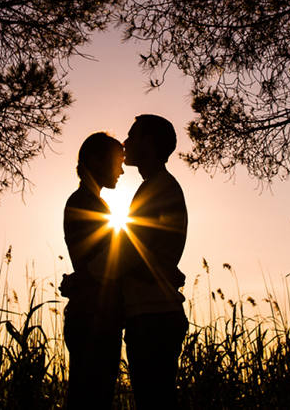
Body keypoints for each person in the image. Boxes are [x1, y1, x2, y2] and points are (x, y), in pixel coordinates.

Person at [119, 114, 188, 410]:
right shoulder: (157, 186)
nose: (125, 143)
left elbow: (133, 253)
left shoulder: (158, 189)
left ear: (149, 143)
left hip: (153, 317)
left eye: (132, 136)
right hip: (152, 314)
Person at [61, 132, 126, 410]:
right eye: (117, 163)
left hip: (93, 314)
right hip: (93, 318)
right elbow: (103, 264)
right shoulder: (84, 203)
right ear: (96, 161)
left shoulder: (91, 202)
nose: (122, 170)